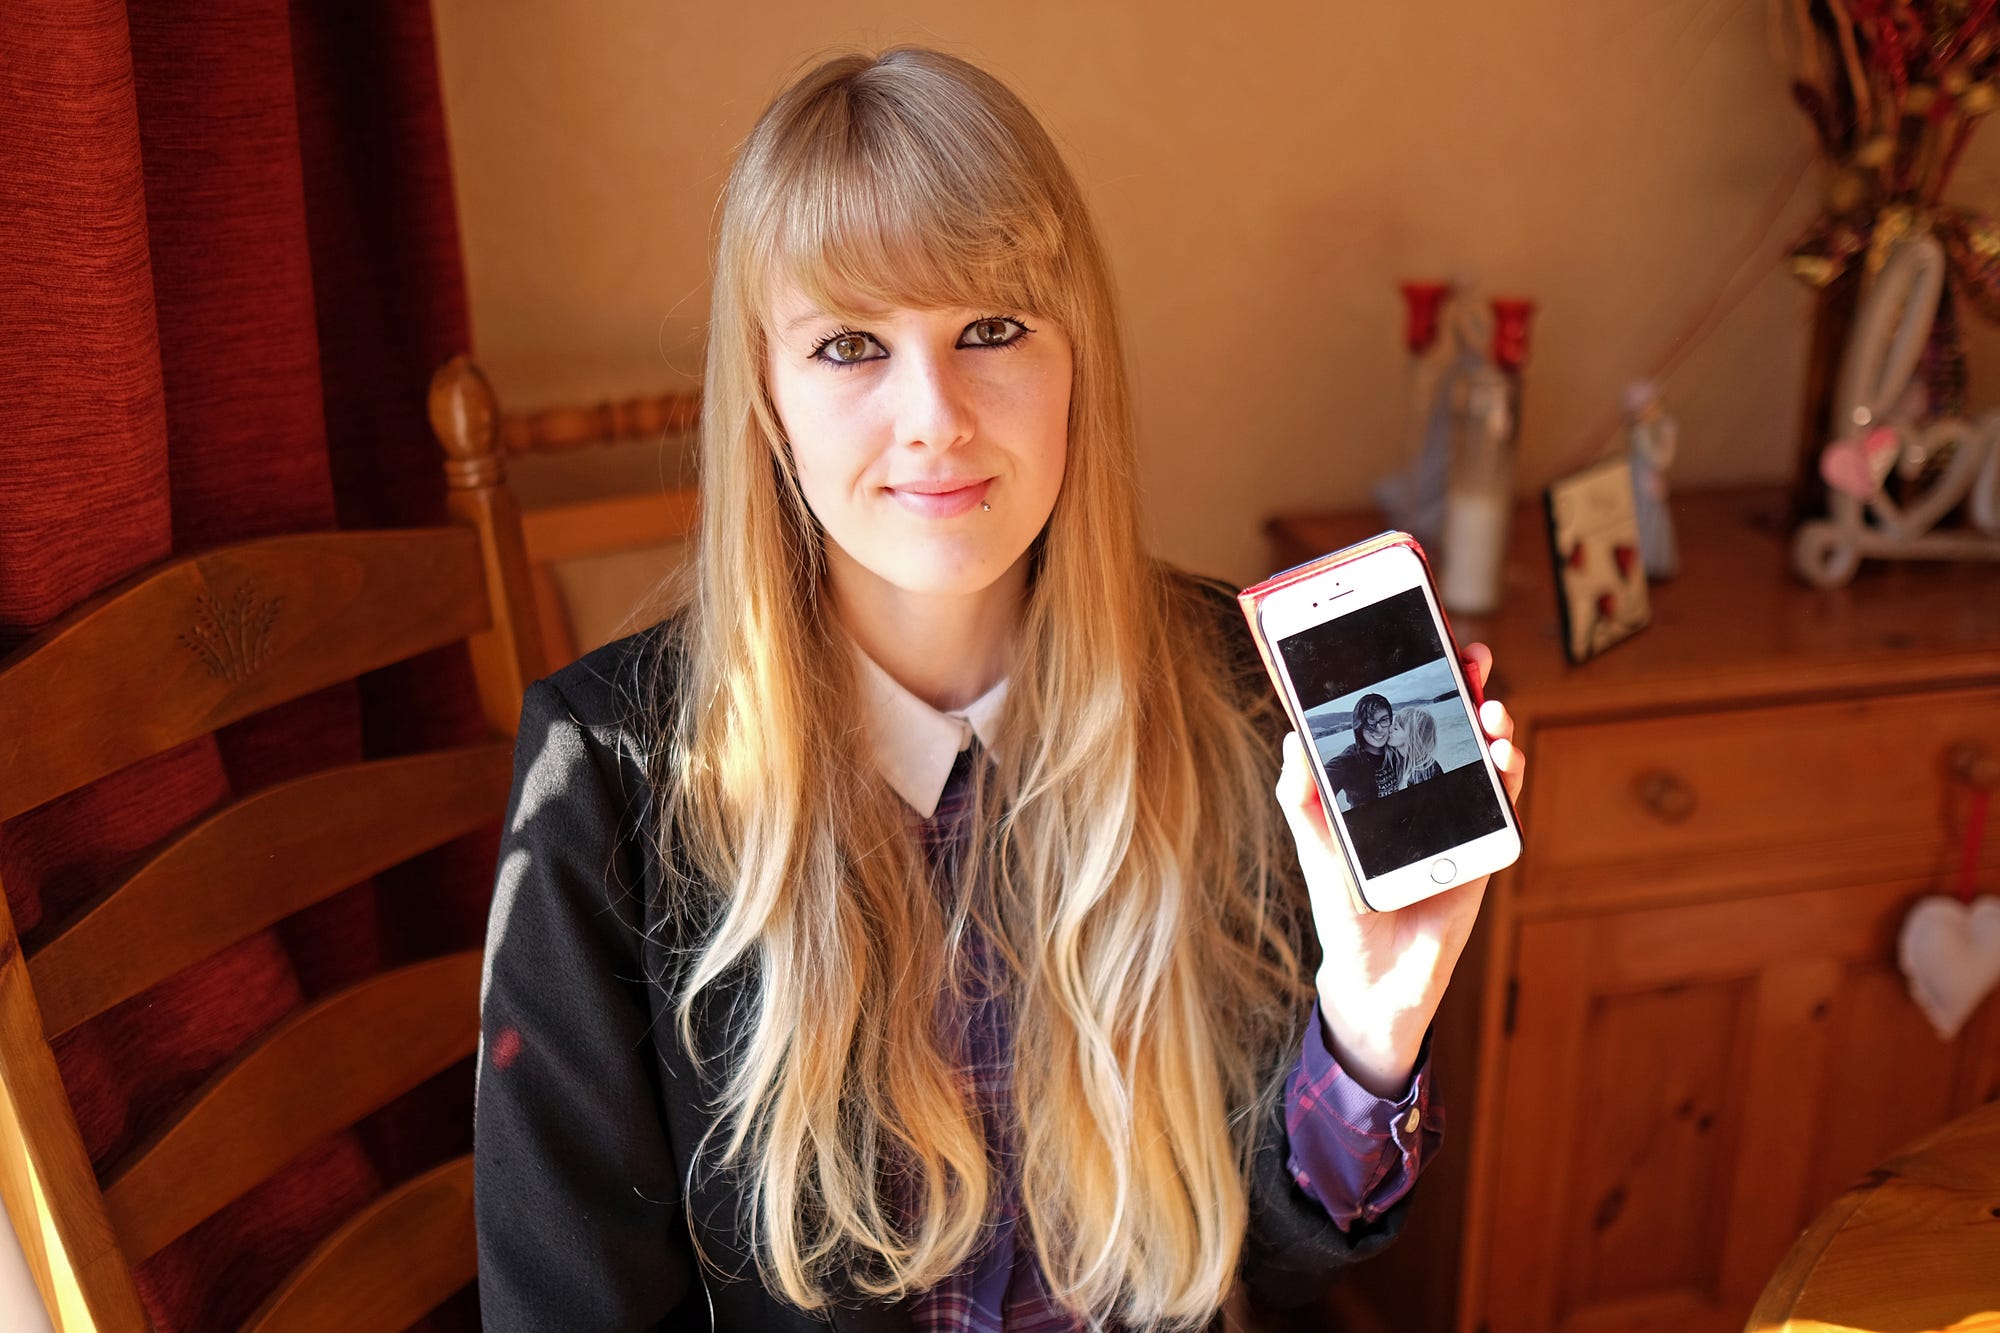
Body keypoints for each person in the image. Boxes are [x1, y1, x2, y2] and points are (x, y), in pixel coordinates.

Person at [473, 47, 1525, 1333]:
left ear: (1077, 355)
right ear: (766, 392)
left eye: (990, 329)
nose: (935, 416)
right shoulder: (606, 778)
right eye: (849, 345)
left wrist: (1369, 1027)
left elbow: (1278, 1258)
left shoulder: (1231, 691)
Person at [1324, 693, 1405, 808]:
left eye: (1384, 720)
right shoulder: (1348, 761)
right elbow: (1319, 787)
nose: (1378, 729)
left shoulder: (1397, 748)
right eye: (1370, 722)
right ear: (1359, 726)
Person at [1397, 707, 1444, 788]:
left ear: (1412, 740)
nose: (1390, 731)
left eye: (1396, 729)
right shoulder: (1411, 762)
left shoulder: (1425, 770)